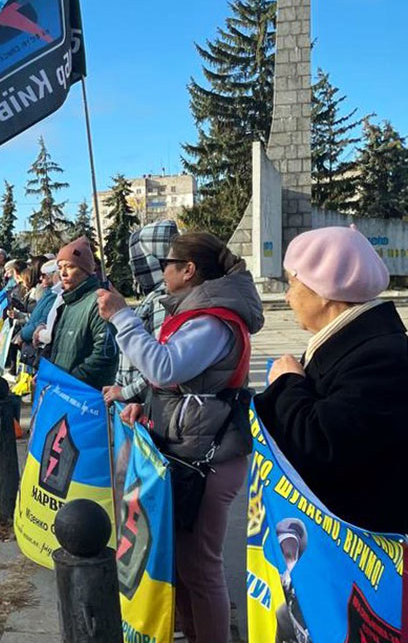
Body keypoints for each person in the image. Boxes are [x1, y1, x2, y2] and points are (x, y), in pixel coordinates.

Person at [96, 232, 264, 643]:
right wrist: (146, 408)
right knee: (185, 567)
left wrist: (121, 316)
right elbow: (178, 387)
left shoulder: (211, 320)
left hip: (208, 459)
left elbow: (164, 367)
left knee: (201, 568)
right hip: (191, 451)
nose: (162, 271)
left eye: (169, 264)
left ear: (188, 271)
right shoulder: (200, 314)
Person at [253, 226, 408, 533]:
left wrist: (287, 383)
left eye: (292, 284)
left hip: (363, 555)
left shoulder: (381, 357)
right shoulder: (352, 342)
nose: (287, 297)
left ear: (323, 290)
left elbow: (320, 444)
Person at [103, 220, 179, 405]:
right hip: (141, 403)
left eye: (137, 257)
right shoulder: (154, 296)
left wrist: (126, 392)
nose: (133, 265)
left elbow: (160, 363)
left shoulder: (164, 300)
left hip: (149, 404)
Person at [48, 237, 118, 389]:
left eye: (70, 267)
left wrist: (70, 380)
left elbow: (104, 353)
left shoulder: (99, 301)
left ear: (85, 270)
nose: (63, 274)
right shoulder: (68, 301)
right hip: (63, 389)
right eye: (60, 268)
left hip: (84, 394)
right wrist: (48, 375)